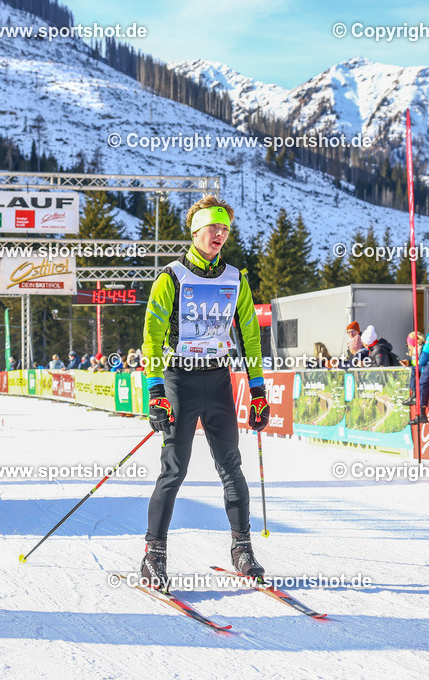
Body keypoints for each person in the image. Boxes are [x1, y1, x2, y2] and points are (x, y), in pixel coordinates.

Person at [140, 194, 269, 593]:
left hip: (217, 380)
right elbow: (151, 336)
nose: (220, 234)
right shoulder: (172, 276)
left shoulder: (236, 278)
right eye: (213, 227)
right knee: (174, 469)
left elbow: (248, 333)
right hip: (180, 378)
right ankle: (153, 555)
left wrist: (259, 389)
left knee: (231, 466)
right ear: (196, 231)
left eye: (226, 228)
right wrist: (155, 390)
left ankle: (242, 549)